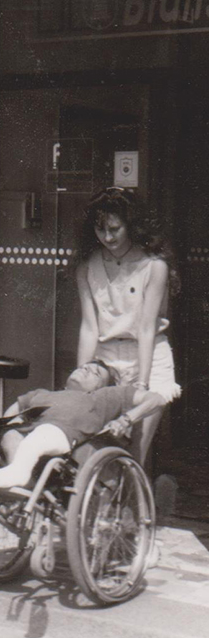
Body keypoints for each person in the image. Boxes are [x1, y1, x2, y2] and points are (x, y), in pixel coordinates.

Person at [73, 187, 181, 464]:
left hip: (148, 357)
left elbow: (146, 328)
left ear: (131, 224)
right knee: (97, 450)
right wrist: (81, 377)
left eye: (114, 229)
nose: (107, 237)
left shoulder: (154, 266)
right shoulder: (86, 266)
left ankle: (135, 490)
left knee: (134, 453)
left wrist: (142, 384)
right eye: (100, 229)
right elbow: (89, 327)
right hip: (106, 358)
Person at [0, 359, 167, 489]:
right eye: (83, 367)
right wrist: (9, 424)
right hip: (31, 437)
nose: (85, 369)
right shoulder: (42, 393)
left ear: (102, 387)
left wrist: (126, 419)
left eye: (95, 373)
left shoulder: (106, 396)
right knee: (10, 434)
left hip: (63, 437)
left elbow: (157, 399)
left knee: (43, 433)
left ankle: (19, 474)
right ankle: (23, 482)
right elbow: (14, 410)